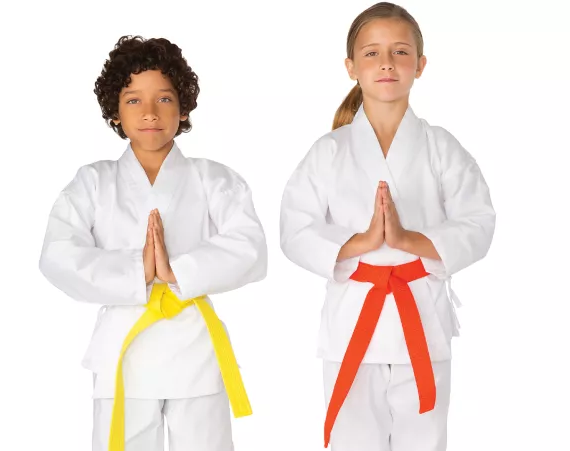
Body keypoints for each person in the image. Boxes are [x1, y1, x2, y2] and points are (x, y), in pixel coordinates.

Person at [279, 3, 496, 450]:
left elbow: (479, 222)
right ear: (350, 67)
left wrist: (408, 240)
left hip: (423, 318)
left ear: (420, 65)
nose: (386, 63)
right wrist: (360, 242)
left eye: (400, 52)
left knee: (424, 441)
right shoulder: (329, 150)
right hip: (352, 321)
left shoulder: (441, 146)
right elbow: (294, 229)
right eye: (372, 52)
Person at [38, 35, 268, 451]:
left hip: (195, 348)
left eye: (163, 99)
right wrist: (138, 271)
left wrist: (175, 270)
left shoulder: (214, 179)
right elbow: (57, 254)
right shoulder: (93, 182)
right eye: (132, 100)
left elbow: (249, 246)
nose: (149, 113)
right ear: (114, 111)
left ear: (183, 107)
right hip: (123, 353)